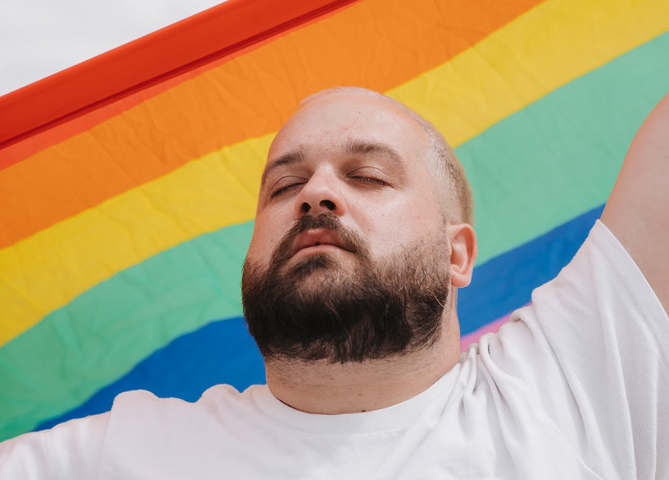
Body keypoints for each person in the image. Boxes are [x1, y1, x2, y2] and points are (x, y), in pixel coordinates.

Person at [1, 86, 668, 479]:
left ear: (455, 254)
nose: (314, 194)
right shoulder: (125, 454)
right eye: (284, 185)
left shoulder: (579, 384)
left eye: (367, 175)